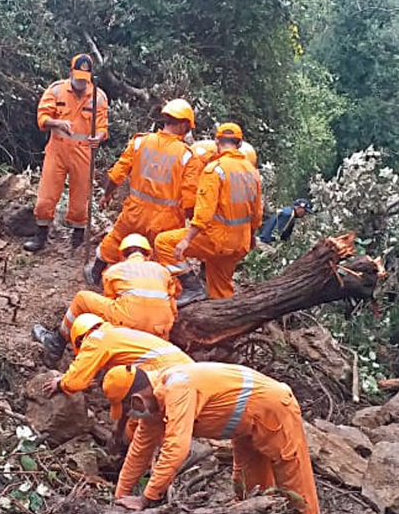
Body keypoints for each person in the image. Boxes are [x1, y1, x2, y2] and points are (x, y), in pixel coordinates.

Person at [103, 362, 320, 514]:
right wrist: (120, 497)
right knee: (247, 487)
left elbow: (176, 447)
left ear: (137, 400)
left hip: (273, 410)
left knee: (295, 482)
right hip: (245, 427)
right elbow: (139, 450)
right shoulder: (154, 407)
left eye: (128, 410)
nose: (131, 417)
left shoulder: (177, 387)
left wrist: (146, 499)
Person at [86, 100, 198, 285]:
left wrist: (107, 195)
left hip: (135, 211)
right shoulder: (186, 155)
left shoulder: (140, 142)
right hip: (166, 219)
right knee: (162, 252)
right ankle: (163, 287)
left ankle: (95, 272)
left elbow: (116, 174)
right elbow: (190, 198)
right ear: (184, 124)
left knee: (117, 237)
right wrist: (189, 226)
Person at [154, 123, 263, 302]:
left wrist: (186, 240)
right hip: (239, 243)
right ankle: (225, 323)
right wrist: (250, 239)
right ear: (240, 143)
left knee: (164, 243)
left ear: (216, 141)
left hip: (217, 240)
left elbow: (204, 213)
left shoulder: (214, 170)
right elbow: (257, 214)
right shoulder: (252, 172)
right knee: (221, 290)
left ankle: (192, 288)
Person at [33, 234, 179, 365]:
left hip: (128, 322)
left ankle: (56, 344)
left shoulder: (115, 270)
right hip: (160, 331)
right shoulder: (163, 271)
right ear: (148, 254)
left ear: (122, 254)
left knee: (81, 298)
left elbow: (110, 303)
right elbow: (173, 305)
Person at [24, 54, 109, 252]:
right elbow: (42, 118)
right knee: (46, 196)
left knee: (80, 201)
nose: (80, 82)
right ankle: (41, 236)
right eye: (77, 77)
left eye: (84, 78)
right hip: (57, 150)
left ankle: (77, 240)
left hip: (83, 152)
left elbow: (103, 125)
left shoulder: (98, 96)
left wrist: (99, 137)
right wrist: (57, 122)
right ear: (70, 72)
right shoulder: (56, 90)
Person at [41, 313, 193, 399]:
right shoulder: (114, 334)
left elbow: (75, 382)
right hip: (186, 366)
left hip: (167, 372)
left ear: (80, 339)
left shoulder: (95, 339)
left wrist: (61, 383)